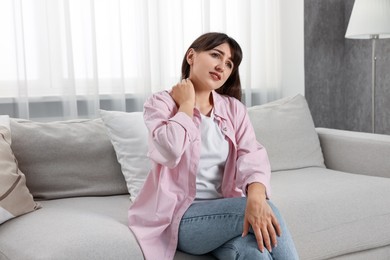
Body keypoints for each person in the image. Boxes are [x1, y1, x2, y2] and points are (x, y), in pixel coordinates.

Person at [128, 32, 299, 260]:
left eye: (229, 64)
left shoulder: (233, 109)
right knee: (270, 210)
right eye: (215, 55)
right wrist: (187, 104)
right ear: (191, 56)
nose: (222, 66)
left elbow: (252, 154)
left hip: (221, 212)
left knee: (254, 253)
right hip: (179, 217)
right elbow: (170, 150)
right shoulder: (160, 103)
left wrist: (256, 195)